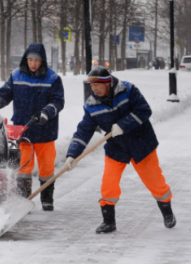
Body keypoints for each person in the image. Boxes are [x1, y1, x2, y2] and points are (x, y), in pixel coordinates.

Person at [65, 66, 176, 233]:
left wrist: (123, 125)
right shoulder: (91, 105)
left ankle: (167, 212)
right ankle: (108, 221)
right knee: (108, 183)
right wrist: (72, 154)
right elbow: (84, 130)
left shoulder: (128, 90)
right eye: (91, 86)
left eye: (97, 85)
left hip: (141, 143)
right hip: (116, 147)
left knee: (154, 181)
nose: (94, 89)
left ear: (107, 83)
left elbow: (144, 110)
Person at [0, 43, 65, 210]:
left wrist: (45, 113)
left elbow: (58, 101)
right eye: (30, 59)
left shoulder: (53, 78)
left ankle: (47, 200)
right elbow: (4, 94)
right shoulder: (16, 76)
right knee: (23, 169)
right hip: (23, 132)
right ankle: (23, 200)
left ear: (42, 61)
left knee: (46, 169)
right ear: (26, 59)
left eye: (36, 60)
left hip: (45, 132)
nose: (33, 63)